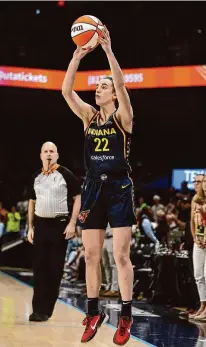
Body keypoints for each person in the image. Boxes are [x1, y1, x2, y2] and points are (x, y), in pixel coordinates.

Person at [62, 26, 136, 345]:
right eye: (99, 86)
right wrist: (77, 57)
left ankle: (126, 316)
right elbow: (66, 92)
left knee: (120, 255)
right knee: (90, 254)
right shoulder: (88, 117)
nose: (99, 89)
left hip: (119, 188)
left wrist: (107, 51)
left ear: (114, 94)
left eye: (104, 86)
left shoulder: (123, 118)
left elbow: (121, 82)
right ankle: (94, 313)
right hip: (92, 187)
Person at [27, 141, 81, 322]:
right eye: (45, 151)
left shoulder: (66, 174)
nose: (49, 154)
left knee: (54, 269)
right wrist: (30, 227)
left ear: (57, 155)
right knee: (39, 269)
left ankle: (46, 310)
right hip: (41, 225)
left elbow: (78, 197)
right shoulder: (36, 176)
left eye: (52, 151)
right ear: (41, 155)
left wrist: (72, 223)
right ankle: (37, 309)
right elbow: (32, 202)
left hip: (59, 225)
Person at [189, 174, 206, 320]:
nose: (196, 184)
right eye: (195, 181)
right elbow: (192, 221)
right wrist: (195, 237)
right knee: (198, 275)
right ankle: (202, 306)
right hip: (198, 241)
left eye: (199, 181)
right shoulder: (195, 200)